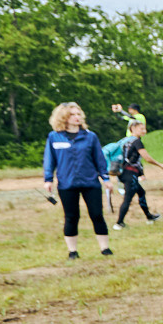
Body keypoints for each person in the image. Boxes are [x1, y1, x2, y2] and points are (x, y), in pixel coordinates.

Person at [42, 102, 114, 260]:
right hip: (67, 184)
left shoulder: (90, 136)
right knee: (71, 217)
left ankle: (105, 249)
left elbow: (99, 160)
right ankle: (72, 251)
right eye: (72, 115)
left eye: (78, 114)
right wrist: (48, 179)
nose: (77, 117)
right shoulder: (54, 137)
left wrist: (106, 178)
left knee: (97, 214)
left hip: (90, 183)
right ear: (64, 118)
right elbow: (49, 160)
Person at [108, 115, 163, 228]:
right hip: (130, 174)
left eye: (144, 128)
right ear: (132, 129)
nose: (144, 131)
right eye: (141, 128)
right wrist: (160, 165)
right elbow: (147, 158)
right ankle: (119, 223)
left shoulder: (125, 141)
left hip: (123, 172)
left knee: (141, 192)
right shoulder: (136, 142)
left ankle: (149, 216)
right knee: (128, 198)